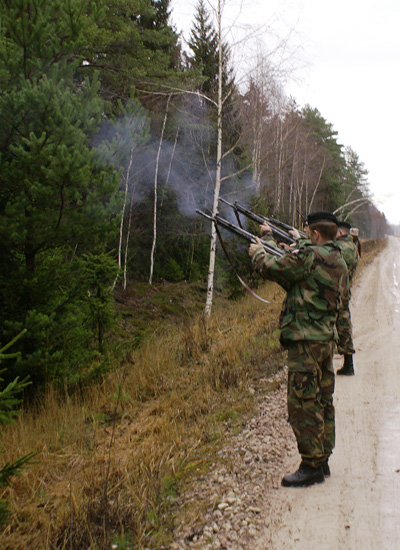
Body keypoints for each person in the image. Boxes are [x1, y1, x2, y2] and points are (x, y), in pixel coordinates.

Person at [249, 211, 348, 487]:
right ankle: (323, 457)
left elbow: (275, 268)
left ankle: (311, 465)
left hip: (305, 341)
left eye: (307, 232)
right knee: (322, 399)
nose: (304, 236)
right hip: (325, 340)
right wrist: (291, 245)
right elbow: (301, 273)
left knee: (303, 403)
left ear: (316, 234)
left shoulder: (309, 257)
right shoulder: (337, 257)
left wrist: (259, 250)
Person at [335, 220, 359, 376]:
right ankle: (347, 363)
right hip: (342, 291)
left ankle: (348, 364)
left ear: (340, 232)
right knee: (342, 325)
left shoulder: (344, 249)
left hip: (339, 293)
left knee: (342, 326)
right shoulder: (350, 246)